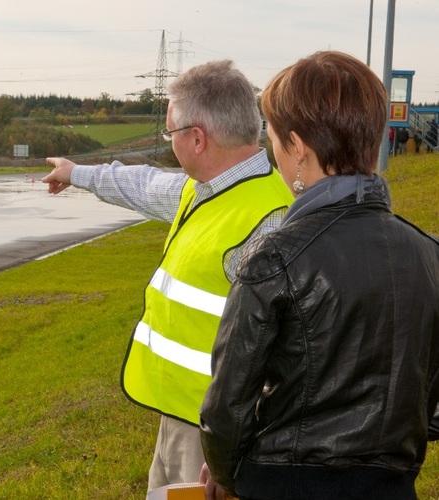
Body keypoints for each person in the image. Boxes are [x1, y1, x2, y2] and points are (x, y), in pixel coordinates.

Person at [42, 60, 294, 491]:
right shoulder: (204, 189)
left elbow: (278, 353)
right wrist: (76, 173)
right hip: (181, 417)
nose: (169, 142)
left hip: (214, 434)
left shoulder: (269, 220)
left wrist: (228, 448)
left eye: (170, 133)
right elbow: (140, 184)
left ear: (197, 138)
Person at [199, 51, 439, 500]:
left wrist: (231, 478)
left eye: (272, 138)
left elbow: (226, 409)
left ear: (298, 146)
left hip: (284, 484)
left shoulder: (274, 258)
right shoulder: (428, 254)